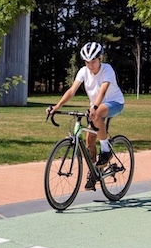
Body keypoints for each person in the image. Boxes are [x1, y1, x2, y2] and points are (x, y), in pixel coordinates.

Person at [46, 41, 126, 190]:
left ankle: (106, 151)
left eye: (93, 62)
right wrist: (56, 107)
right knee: (89, 141)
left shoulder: (107, 69)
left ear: (100, 59)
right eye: (87, 62)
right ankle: (94, 172)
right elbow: (71, 91)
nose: (91, 66)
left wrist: (94, 107)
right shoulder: (83, 71)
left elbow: (102, 91)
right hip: (96, 107)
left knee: (97, 115)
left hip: (114, 103)